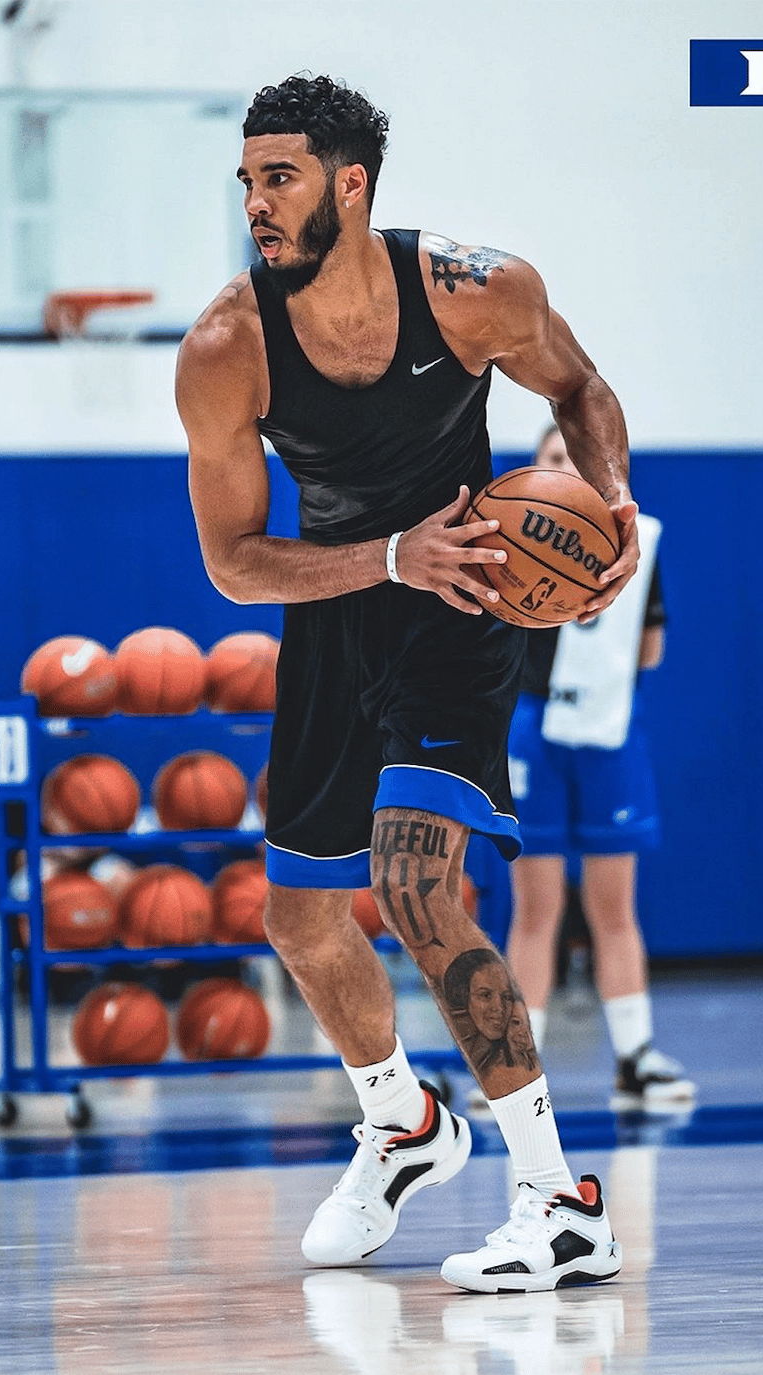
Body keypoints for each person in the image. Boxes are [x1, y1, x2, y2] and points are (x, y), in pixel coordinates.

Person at [175, 73, 640, 1293]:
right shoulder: (228, 346)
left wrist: (614, 502)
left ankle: (557, 1199)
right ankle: (402, 1121)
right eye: (246, 180)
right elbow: (230, 563)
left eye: (276, 178)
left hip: (469, 594)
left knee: (415, 885)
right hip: (337, 602)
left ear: (349, 182)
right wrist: (384, 555)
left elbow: (580, 391)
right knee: (294, 917)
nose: (255, 204)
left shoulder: (475, 291)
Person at [502, 425, 695, 1107]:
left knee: (615, 905)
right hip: (533, 725)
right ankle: (516, 1071)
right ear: (534, 468)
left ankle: (635, 1057)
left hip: (609, 728)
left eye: (575, 459)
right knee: (536, 908)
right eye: (553, 458)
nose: (565, 467)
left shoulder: (637, 543)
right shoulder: (508, 534)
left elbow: (649, 650)